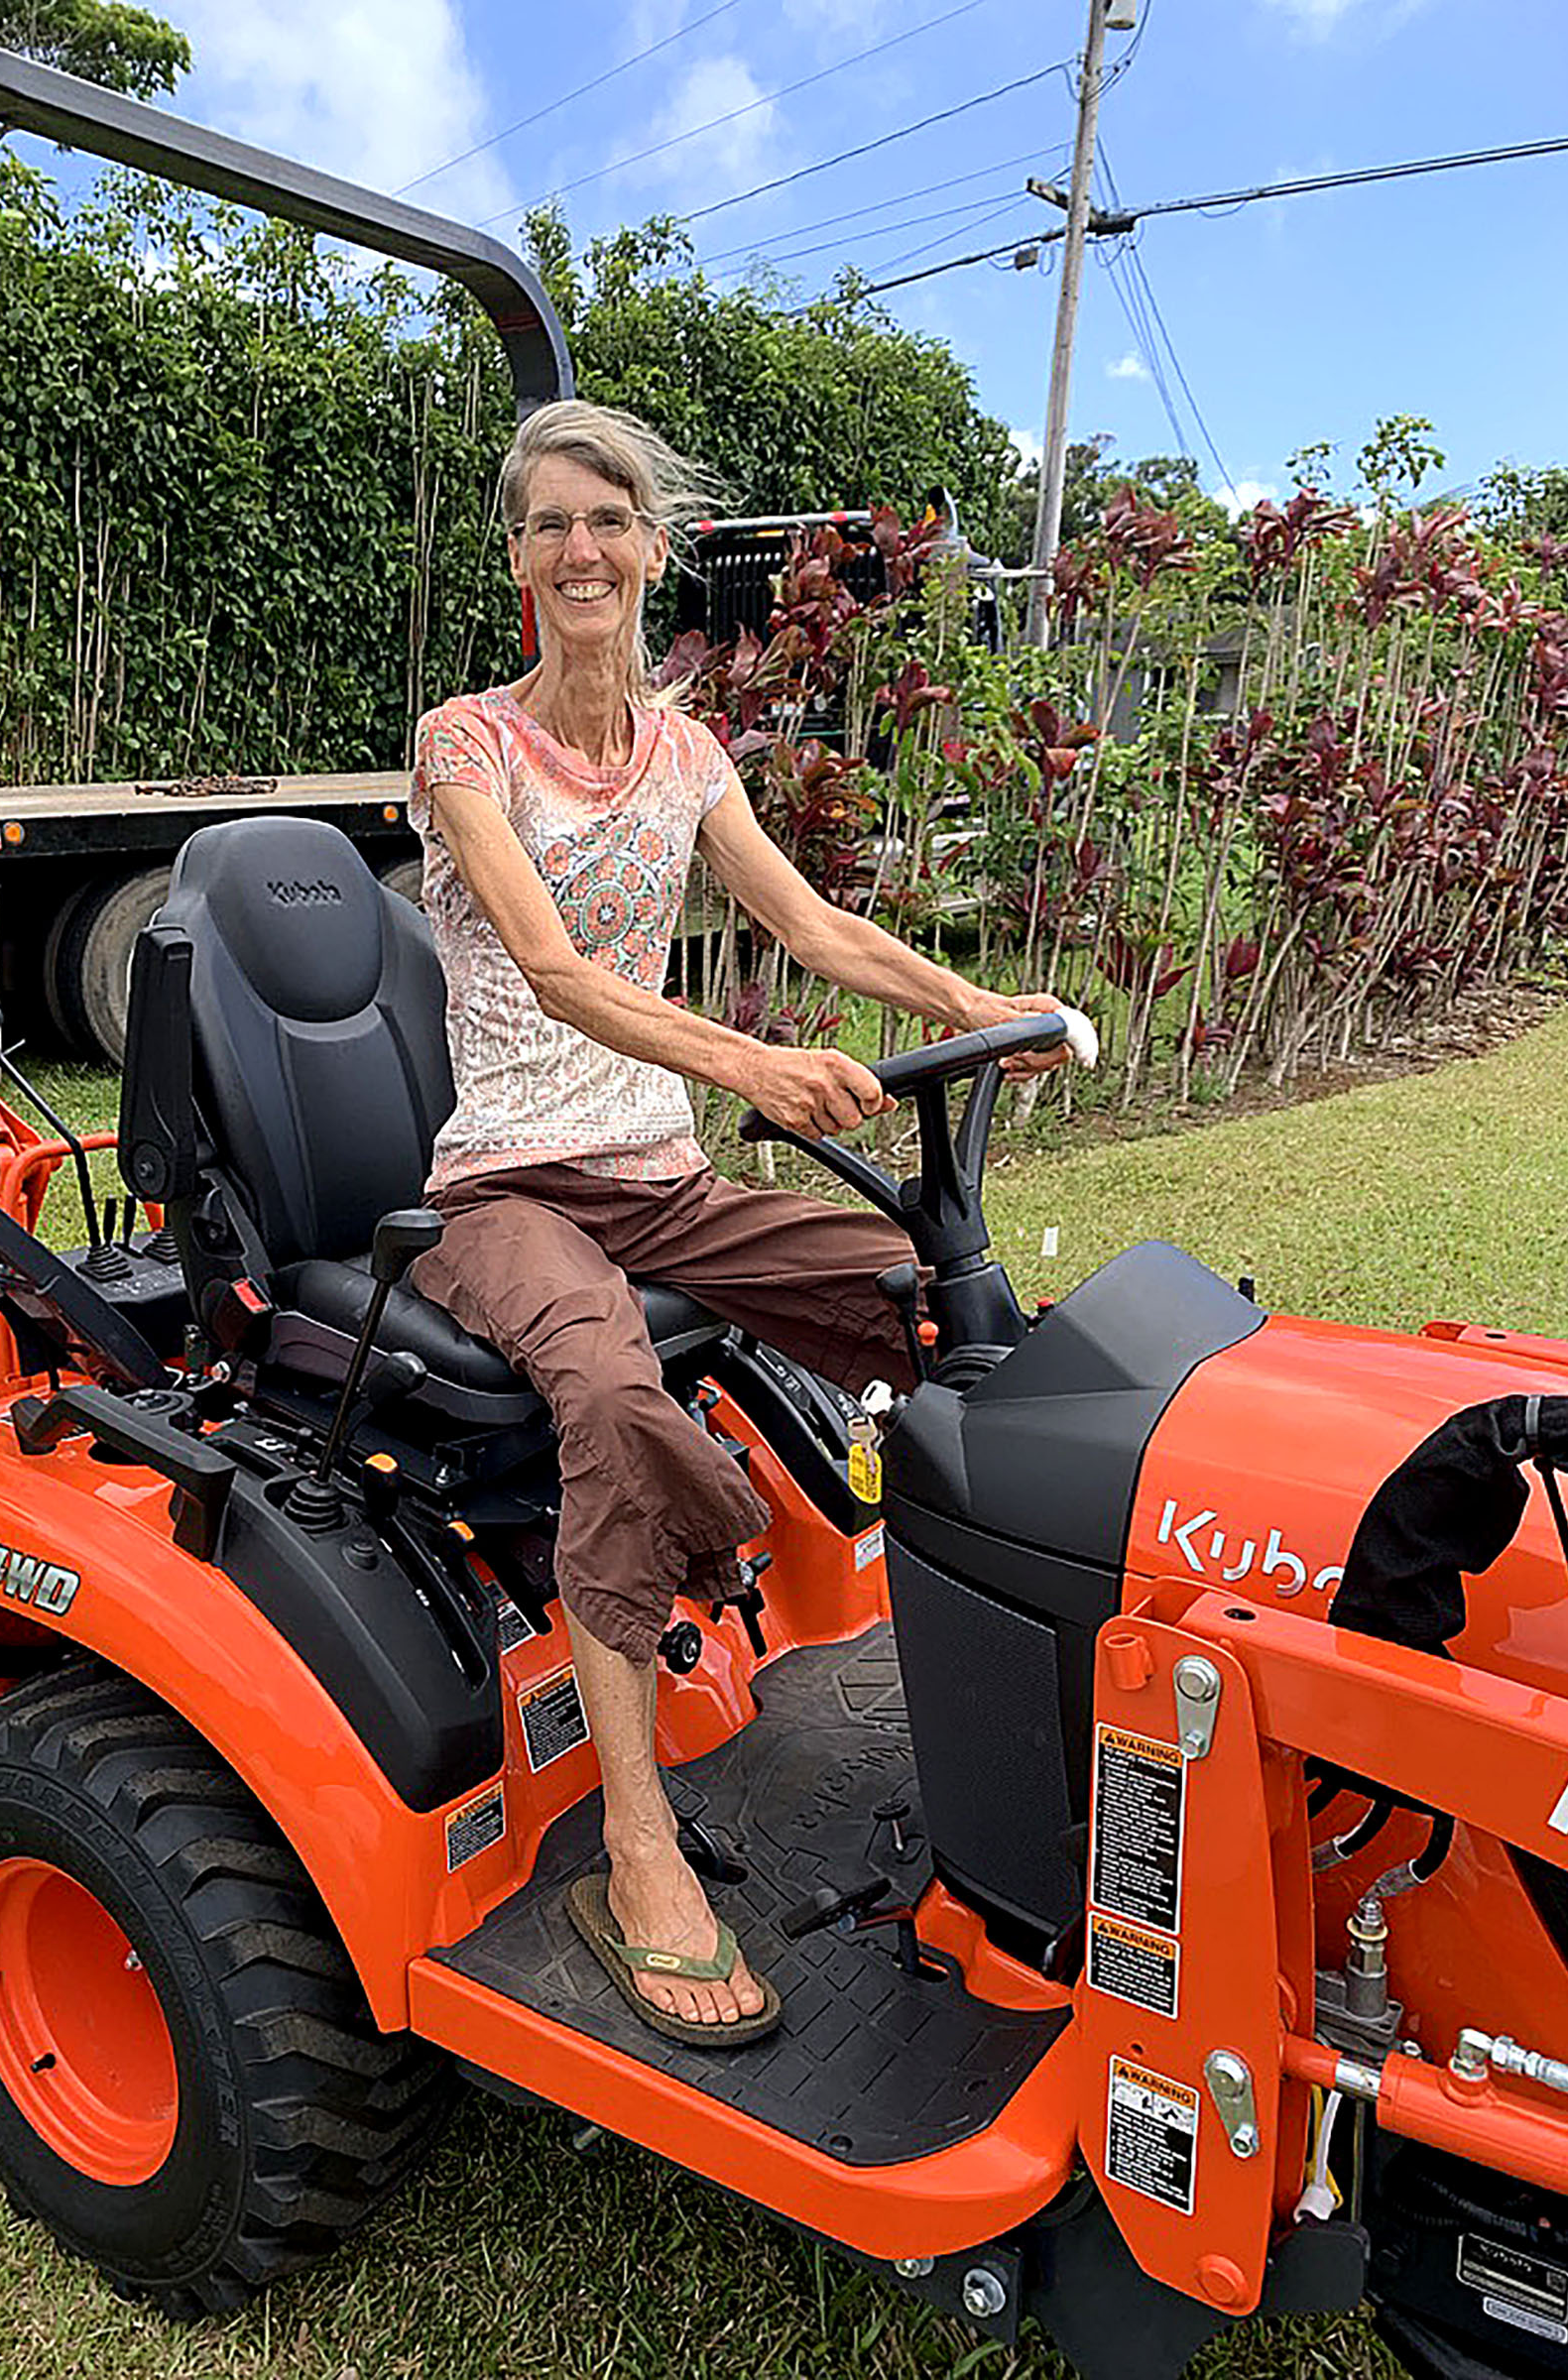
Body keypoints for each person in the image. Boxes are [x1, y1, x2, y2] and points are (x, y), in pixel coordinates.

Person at [407, 399, 1067, 2048]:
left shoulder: (689, 752)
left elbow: (813, 924)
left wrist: (979, 1007)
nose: (581, 549)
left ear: (652, 546)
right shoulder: (465, 745)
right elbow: (554, 968)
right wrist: (752, 1065)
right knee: (611, 1393)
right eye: (550, 523)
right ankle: (636, 1848)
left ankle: (1031, 1702)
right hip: (509, 1183)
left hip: (660, 1177)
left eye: (608, 519)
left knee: (927, 1297)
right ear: (517, 556)